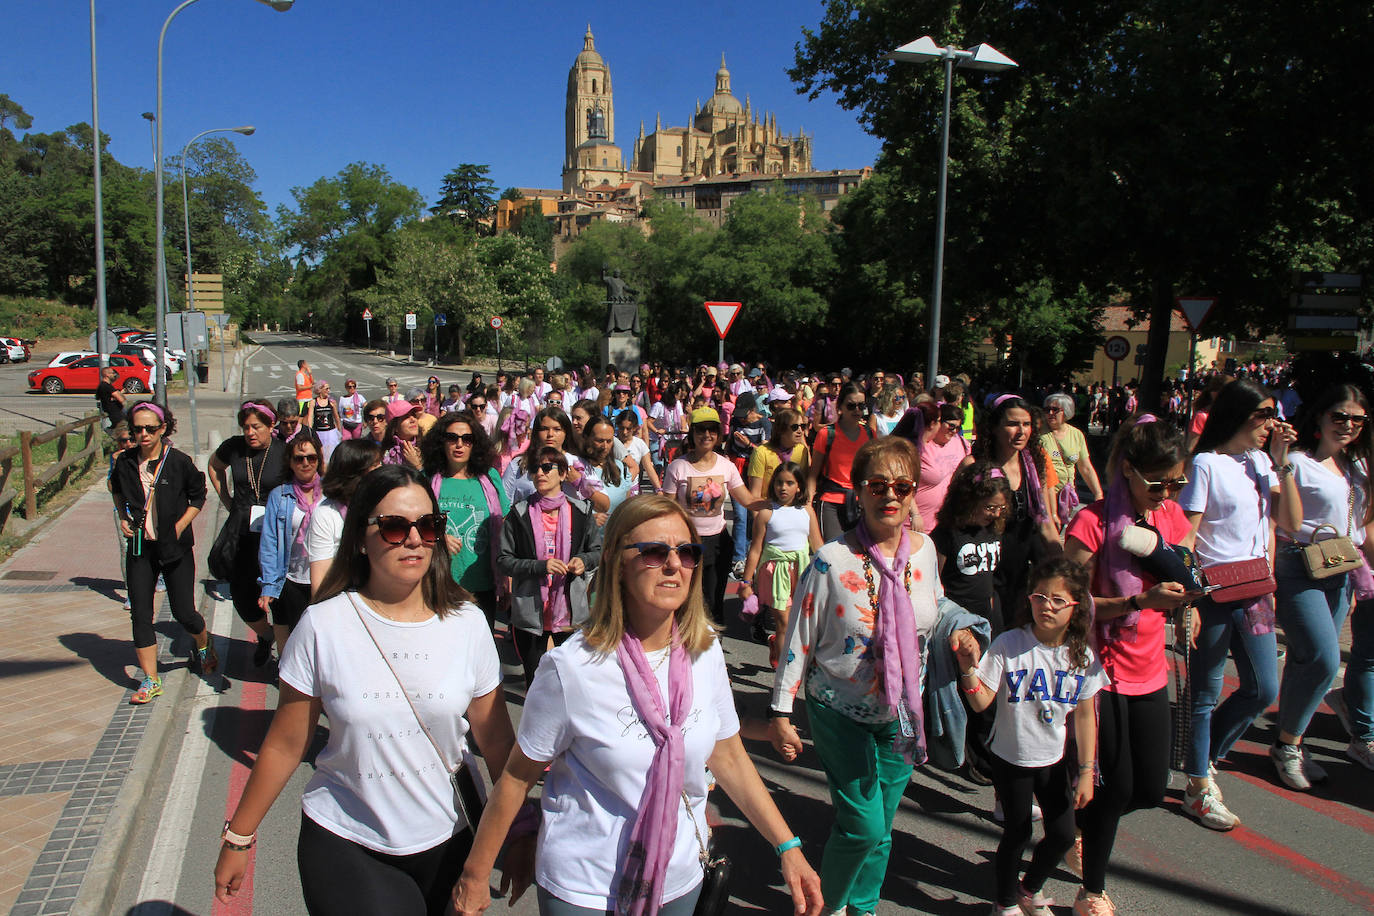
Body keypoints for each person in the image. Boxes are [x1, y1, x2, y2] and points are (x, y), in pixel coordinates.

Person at [453, 494, 824, 916]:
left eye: (687, 552)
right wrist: (475, 874)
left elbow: (728, 755)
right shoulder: (571, 667)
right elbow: (518, 778)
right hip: (585, 888)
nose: (673, 564)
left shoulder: (706, 651)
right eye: (653, 552)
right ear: (615, 562)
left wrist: (788, 846)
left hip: (679, 880)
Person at [214, 465, 518, 915]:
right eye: (394, 527)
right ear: (360, 537)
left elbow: (496, 742)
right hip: (346, 840)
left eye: (428, 525)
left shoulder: (468, 624)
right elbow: (286, 741)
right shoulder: (323, 625)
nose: (414, 539)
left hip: (449, 836)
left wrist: (519, 832)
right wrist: (238, 837)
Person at [770, 436, 974, 916]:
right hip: (839, 710)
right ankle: (829, 907)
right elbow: (798, 636)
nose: (891, 495)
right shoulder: (831, 561)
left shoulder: (924, 551)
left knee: (881, 831)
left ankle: (863, 909)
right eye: (877, 484)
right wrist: (780, 711)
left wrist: (963, 630)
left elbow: (933, 606)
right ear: (857, 492)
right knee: (861, 826)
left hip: (901, 714)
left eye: (902, 486)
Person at [1063, 416, 1196, 913]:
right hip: (1103, 673)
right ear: (1128, 472)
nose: (1167, 493)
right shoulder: (1091, 523)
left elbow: (1186, 571)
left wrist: (1190, 604)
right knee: (1114, 790)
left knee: (1150, 789)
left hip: (1151, 671)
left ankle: (1079, 821)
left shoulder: (1171, 518)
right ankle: (1091, 891)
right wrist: (1139, 603)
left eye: (1176, 482)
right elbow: (1066, 604)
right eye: (1158, 482)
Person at [1177, 379, 1301, 830]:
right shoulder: (1205, 463)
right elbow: (1186, 535)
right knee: (1205, 695)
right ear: (1238, 415)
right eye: (1263, 414)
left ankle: (1204, 757)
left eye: (1273, 415)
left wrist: (1282, 465)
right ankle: (1197, 785)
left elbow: (1289, 521)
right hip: (1213, 593)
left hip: (1256, 589)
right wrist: (1186, 598)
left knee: (1264, 688)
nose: (1271, 424)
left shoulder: (1262, 462)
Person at [956, 558, 1107, 916]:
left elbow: (1086, 715)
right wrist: (966, 670)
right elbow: (980, 702)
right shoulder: (1010, 644)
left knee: (1064, 835)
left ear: (1076, 606)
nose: (1047, 607)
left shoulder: (1082, 656)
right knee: (1017, 834)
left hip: (1052, 760)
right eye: (1040, 597)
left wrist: (1086, 771)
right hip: (1011, 758)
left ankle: (1028, 889)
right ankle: (1005, 903)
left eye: (1058, 600)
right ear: (1029, 599)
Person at [1270, 384, 1370, 789]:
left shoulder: (1357, 468)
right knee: (1326, 660)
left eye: (1357, 419)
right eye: (1339, 417)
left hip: (1341, 569)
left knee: (1303, 661)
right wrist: (1282, 465)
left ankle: (1287, 743)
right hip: (1300, 565)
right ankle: (1289, 746)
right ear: (1320, 418)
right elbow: (1285, 522)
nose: (1347, 425)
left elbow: (1363, 525)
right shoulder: (1298, 461)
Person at [112, 403, 214, 703]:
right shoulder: (125, 463)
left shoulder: (178, 462)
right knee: (141, 615)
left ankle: (203, 642)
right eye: (137, 429)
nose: (143, 435)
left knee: (184, 613)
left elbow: (199, 494)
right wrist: (122, 517)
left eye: (150, 429)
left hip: (175, 548)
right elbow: (115, 488)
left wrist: (181, 525)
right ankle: (151, 679)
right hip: (141, 548)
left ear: (163, 429)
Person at [498, 447, 602, 688]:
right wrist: (540, 567)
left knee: (572, 678)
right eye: (535, 469)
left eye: (547, 468)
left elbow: (597, 553)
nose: (540, 473)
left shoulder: (581, 511)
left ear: (563, 474)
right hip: (530, 612)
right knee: (534, 680)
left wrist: (582, 561)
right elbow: (504, 560)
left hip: (570, 610)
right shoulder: (519, 514)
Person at [662, 407, 762, 622]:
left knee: (714, 601)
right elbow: (666, 509)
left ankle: (713, 646)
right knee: (685, 600)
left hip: (718, 544)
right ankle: (684, 647)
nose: (706, 435)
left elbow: (747, 500)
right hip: (686, 545)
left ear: (718, 434)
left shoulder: (727, 466)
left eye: (712, 430)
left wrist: (778, 502)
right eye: (701, 430)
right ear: (692, 433)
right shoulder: (677, 467)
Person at [974, 395, 1062, 633]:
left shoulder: (1034, 465)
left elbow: (1044, 521)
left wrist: (1062, 565)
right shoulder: (976, 466)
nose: (1021, 431)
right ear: (994, 427)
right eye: (1013, 424)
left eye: (1027, 424)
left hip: (1021, 568)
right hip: (987, 569)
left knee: (1019, 631)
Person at [209, 400, 288, 666]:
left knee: (277, 597)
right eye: (246, 427)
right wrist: (227, 501)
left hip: (275, 533)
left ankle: (285, 659)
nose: (250, 433)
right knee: (241, 595)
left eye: (256, 427)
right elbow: (214, 466)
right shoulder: (234, 447)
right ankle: (266, 636)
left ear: (270, 425)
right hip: (241, 530)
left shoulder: (283, 452)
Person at [421, 411, 510, 627]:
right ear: (441, 442)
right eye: (452, 438)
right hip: (439, 582)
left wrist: (507, 579)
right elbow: (414, 524)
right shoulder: (427, 478)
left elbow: (505, 527)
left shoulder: (490, 477)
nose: (459, 444)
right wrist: (438, 537)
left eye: (467, 439)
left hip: (482, 585)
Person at [739, 461, 821, 657]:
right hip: (774, 572)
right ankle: (784, 673)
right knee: (783, 621)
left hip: (801, 570)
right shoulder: (766, 513)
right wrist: (746, 581)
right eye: (779, 483)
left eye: (789, 483)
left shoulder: (807, 511)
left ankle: (778, 646)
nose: (783, 487)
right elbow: (755, 549)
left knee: (798, 621)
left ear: (799, 486)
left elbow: (818, 545)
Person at [258, 430, 326, 656]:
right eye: (299, 458)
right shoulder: (279, 496)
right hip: (292, 578)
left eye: (311, 458)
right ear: (290, 462)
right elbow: (269, 542)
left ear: (319, 459)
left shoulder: (332, 493)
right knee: (298, 634)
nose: (305, 463)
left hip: (325, 578)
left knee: (324, 634)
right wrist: (269, 584)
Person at [307, 438, 384, 595]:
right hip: (345, 600)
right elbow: (319, 581)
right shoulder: (326, 514)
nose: (382, 470)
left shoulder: (385, 504)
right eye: (375, 466)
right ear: (355, 473)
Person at [501, 407, 606, 511]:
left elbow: (604, 505)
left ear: (566, 432)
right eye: (544, 429)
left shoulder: (578, 463)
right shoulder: (518, 465)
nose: (550, 434)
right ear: (536, 432)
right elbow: (502, 507)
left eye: (557, 429)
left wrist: (580, 483)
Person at [806, 383, 874, 541]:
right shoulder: (827, 434)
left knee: (861, 553)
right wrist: (808, 504)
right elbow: (813, 473)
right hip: (831, 501)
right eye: (851, 406)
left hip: (861, 502)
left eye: (861, 406)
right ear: (840, 407)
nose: (857, 410)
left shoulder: (870, 434)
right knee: (833, 554)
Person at [1041, 393, 1104, 527]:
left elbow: (1085, 467)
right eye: (1047, 410)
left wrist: (1098, 494)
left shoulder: (1076, 435)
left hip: (1065, 496)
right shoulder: (1039, 433)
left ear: (1066, 411)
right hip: (1044, 495)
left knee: (1059, 530)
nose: (1050, 413)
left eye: (1055, 410)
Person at [915, 403, 973, 534]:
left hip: (949, 521)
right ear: (938, 422)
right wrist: (914, 514)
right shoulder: (922, 445)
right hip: (919, 523)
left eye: (958, 428)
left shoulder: (962, 443)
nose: (954, 431)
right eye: (951, 426)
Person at [580, 414, 637, 518]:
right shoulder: (577, 468)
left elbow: (624, 506)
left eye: (609, 441)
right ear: (586, 438)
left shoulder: (620, 468)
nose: (605, 446)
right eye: (600, 441)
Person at [617, 408, 661, 495]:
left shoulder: (640, 444)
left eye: (628, 428)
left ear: (634, 428)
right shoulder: (612, 443)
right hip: (614, 489)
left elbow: (649, 468)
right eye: (622, 428)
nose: (624, 432)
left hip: (633, 490)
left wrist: (658, 489)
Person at [384, 399, 426, 469]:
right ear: (395, 427)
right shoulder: (385, 455)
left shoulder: (428, 447)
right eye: (406, 417)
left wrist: (418, 465)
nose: (413, 420)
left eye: (413, 415)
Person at [308, 381, 342, 461]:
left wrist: (339, 429)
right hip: (318, 432)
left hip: (330, 433)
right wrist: (309, 431)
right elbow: (310, 417)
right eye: (326, 389)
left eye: (329, 389)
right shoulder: (313, 402)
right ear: (320, 390)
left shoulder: (331, 402)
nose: (328, 391)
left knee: (331, 453)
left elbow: (336, 417)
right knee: (320, 454)